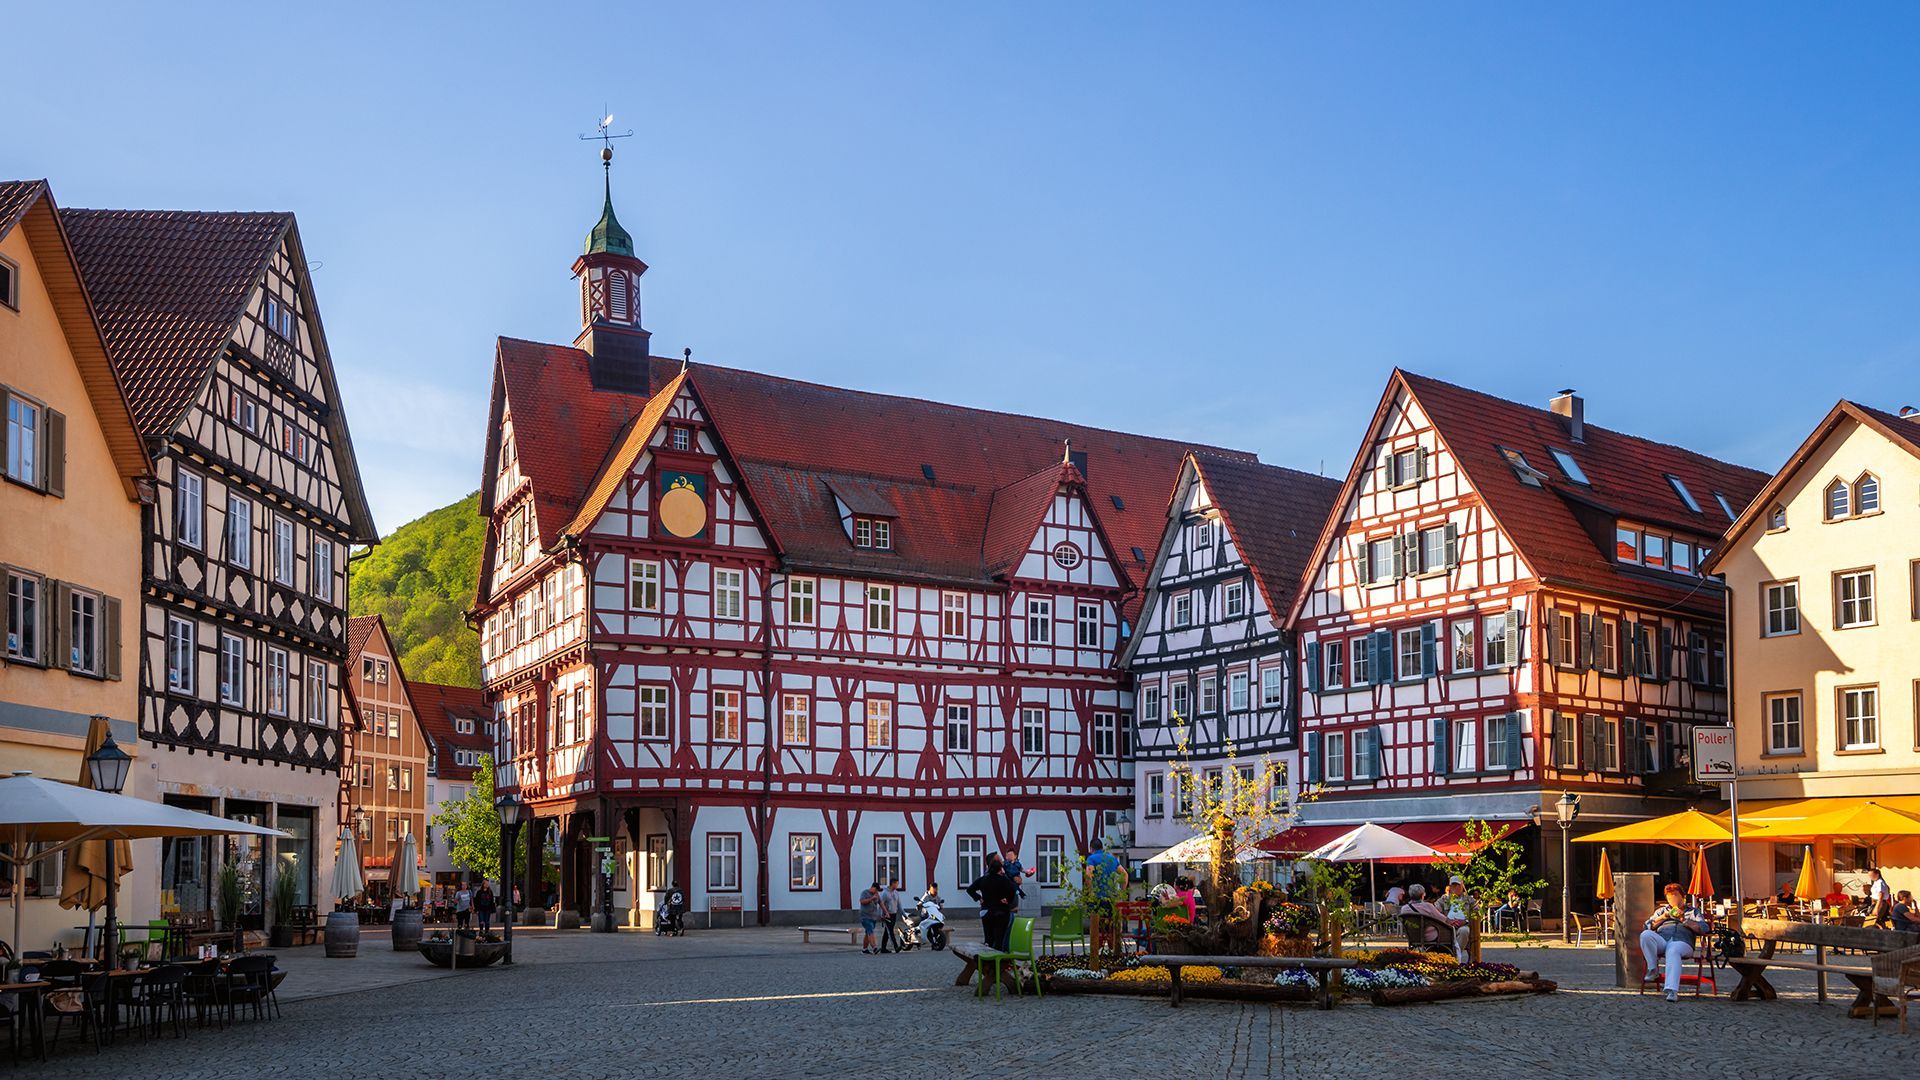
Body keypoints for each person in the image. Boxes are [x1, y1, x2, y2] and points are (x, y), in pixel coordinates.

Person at [1639, 882, 1707, 1002]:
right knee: (1645, 935)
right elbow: (1647, 926)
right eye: (1670, 897)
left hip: (1683, 942)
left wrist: (1684, 920)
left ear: (1682, 896)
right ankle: (1653, 969)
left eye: (1675, 896)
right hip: (1663, 940)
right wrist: (1663, 917)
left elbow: (1704, 928)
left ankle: (1672, 990)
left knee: (1673, 949)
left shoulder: (1693, 912)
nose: (1673, 900)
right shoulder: (1662, 911)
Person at [1083, 839, 1128, 956]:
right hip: (1111, 899)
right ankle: (1113, 950)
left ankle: (1095, 952)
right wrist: (1121, 893)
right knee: (1111, 925)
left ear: (1091, 848)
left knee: (1096, 925)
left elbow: (1088, 875)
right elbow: (1124, 874)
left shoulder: (1091, 859)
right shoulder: (1112, 858)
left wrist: (1091, 891)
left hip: (1098, 899)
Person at [967, 854, 1017, 951]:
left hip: (987, 912)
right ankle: (999, 959)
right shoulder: (1004, 880)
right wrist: (1008, 900)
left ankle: (988, 959)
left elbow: (970, 889)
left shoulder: (983, 879)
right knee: (999, 938)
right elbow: (1013, 890)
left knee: (989, 938)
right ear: (1000, 869)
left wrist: (978, 897)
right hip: (1001, 911)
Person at [1401, 884, 1460, 955]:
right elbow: (1443, 919)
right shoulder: (1428, 906)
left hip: (1413, 936)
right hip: (1430, 937)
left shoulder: (1404, 909)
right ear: (1423, 895)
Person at [858, 881, 884, 955]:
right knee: (870, 931)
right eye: (876, 890)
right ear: (873, 887)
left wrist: (886, 912)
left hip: (873, 917)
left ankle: (864, 949)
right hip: (865, 916)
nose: (876, 892)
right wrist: (871, 898)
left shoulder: (877, 894)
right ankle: (874, 947)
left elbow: (881, 903)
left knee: (868, 933)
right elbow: (862, 901)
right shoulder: (865, 893)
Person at [880, 878, 904, 952]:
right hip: (887, 914)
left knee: (887, 932)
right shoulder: (885, 893)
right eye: (896, 883)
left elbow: (899, 904)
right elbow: (881, 904)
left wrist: (903, 913)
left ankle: (883, 948)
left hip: (894, 914)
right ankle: (896, 947)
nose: (897, 885)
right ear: (892, 883)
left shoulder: (896, 893)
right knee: (890, 931)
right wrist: (882, 914)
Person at [1002, 848, 1028, 913]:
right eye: (1007, 856)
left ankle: (1018, 892)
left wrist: (1027, 872)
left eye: (1011, 855)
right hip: (1008, 878)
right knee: (1012, 884)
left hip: (1015, 877)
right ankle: (1020, 893)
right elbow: (1001, 868)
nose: (1009, 857)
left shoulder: (1018, 864)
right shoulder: (1005, 863)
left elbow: (1022, 870)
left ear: (1015, 856)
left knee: (1015, 885)